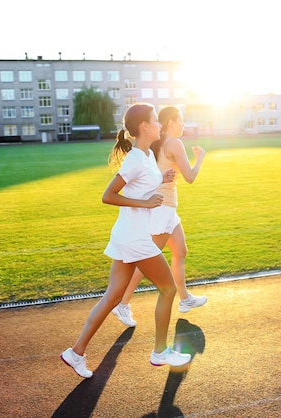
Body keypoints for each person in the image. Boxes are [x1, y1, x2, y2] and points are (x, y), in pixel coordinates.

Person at [60, 103, 191, 378]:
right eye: (155, 121)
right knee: (168, 290)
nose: (159, 125)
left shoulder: (144, 156)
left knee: (113, 296)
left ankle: (75, 352)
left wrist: (161, 180)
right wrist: (144, 204)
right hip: (134, 238)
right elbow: (108, 195)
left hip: (128, 235)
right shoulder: (134, 158)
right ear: (144, 127)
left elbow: (140, 184)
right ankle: (160, 351)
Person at [111, 106, 206, 328]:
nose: (183, 124)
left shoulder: (159, 144)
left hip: (167, 209)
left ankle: (184, 299)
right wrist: (199, 158)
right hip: (162, 209)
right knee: (147, 262)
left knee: (180, 250)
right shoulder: (174, 143)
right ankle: (122, 304)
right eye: (181, 119)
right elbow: (190, 177)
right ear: (171, 122)